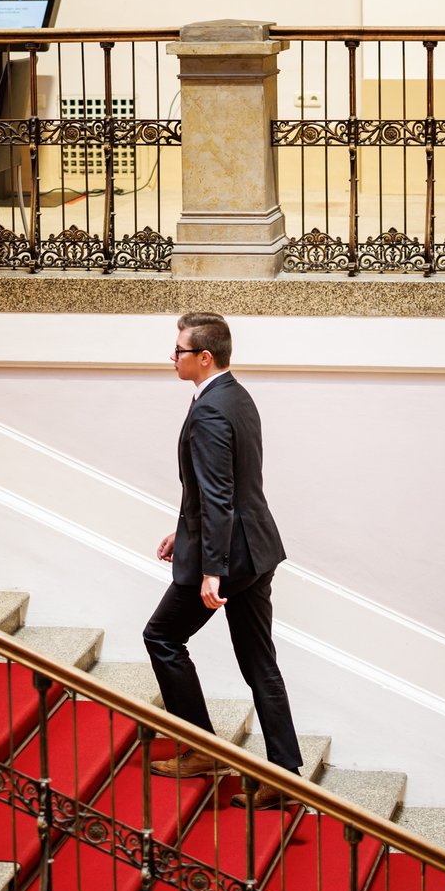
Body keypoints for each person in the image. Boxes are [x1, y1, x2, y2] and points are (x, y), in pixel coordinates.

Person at [144, 312, 303, 809]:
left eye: (179, 351)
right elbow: (223, 486)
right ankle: (284, 773)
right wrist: (184, 530)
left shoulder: (211, 410)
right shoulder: (236, 395)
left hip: (229, 558)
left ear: (204, 357)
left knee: (162, 636)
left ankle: (200, 749)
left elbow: (219, 494)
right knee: (261, 664)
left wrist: (211, 567)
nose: (172, 359)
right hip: (256, 548)